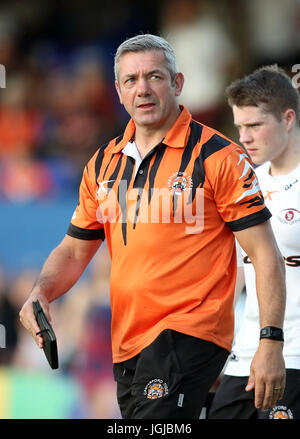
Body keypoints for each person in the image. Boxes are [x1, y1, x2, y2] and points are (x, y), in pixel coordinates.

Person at [19, 34, 286, 420]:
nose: (142, 88)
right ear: (119, 91)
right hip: (128, 342)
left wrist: (270, 341)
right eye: (131, 80)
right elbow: (75, 249)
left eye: (154, 77)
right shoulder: (103, 164)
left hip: (191, 332)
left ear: (176, 84)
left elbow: (265, 255)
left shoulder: (219, 156)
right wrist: (41, 291)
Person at [209, 65, 300, 419]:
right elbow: (233, 274)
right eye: (239, 126)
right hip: (244, 354)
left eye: (255, 125)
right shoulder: (245, 182)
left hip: (293, 355)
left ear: (288, 118)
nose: (243, 137)